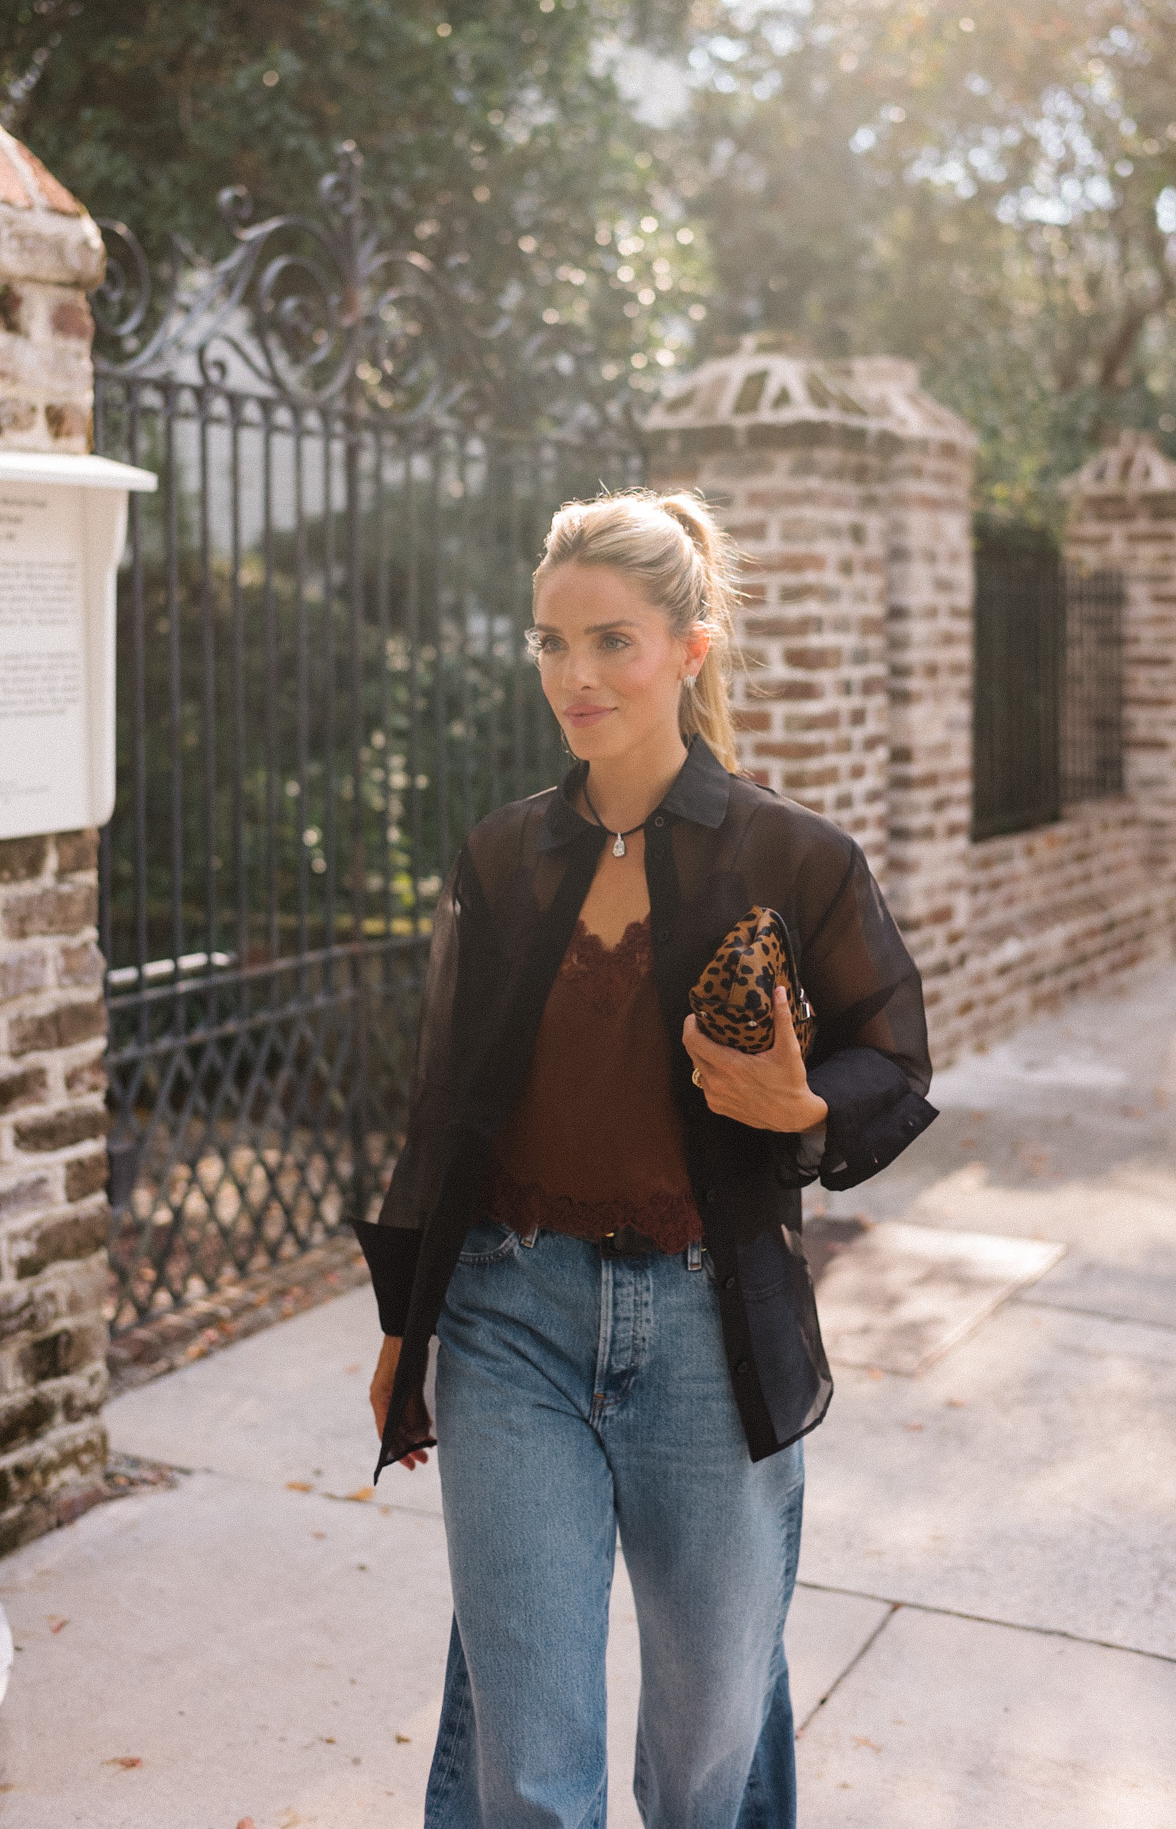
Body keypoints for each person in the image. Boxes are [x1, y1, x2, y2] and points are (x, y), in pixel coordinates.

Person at [354, 488, 936, 1829]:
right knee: (534, 1764)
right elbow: (446, 1104)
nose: (576, 676)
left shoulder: (796, 856)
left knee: (703, 1752)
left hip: (707, 1331)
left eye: (611, 641)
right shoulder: (505, 853)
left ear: (690, 646)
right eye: (551, 644)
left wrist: (798, 1109)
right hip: (509, 1317)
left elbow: (891, 1064)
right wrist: (408, 1326)